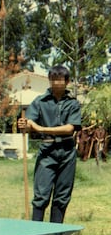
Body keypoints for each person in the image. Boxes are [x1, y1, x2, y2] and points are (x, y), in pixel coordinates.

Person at [18, 65, 81, 223]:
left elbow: (70, 128)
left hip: (67, 151)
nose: (56, 83)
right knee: (41, 193)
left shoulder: (73, 103)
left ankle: (55, 234)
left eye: (60, 79)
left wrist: (42, 128)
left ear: (67, 82)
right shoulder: (39, 102)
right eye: (53, 79)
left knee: (62, 194)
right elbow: (30, 122)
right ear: (49, 80)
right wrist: (25, 124)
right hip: (47, 151)